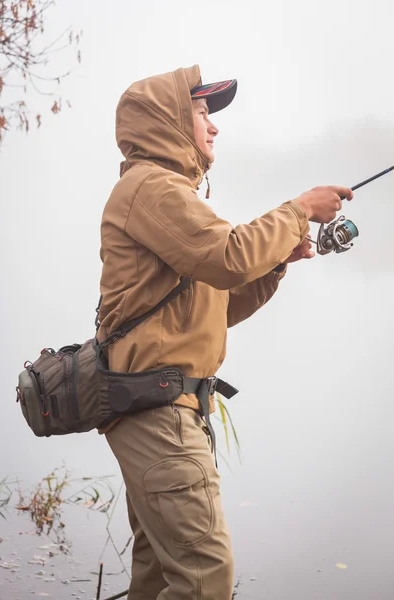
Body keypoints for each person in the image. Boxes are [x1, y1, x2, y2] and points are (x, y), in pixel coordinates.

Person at [97, 64, 353, 600]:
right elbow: (231, 256)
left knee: (156, 581)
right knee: (204, 581)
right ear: (166, 119)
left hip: (156, 412)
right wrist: (300, 210)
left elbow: (215, 304)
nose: (214, 127)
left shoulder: (163, 193)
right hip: (160, 418)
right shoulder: (154, 188)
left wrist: (278, 262)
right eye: (201, 112)